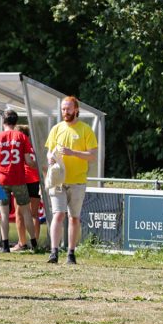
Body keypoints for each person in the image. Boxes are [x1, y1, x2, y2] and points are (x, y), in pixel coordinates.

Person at [45, 95, 98, 264]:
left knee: (74, 217)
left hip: (77, 181)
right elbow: (49, 152)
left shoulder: (85, 130)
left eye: (68, 108)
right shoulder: (56, 129)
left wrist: (72, 153)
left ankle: (71, 253)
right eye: (63, 109)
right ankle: (54, 252)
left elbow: (92, 156)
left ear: (76, 109)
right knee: (58, 214)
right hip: (58, 181)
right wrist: (50, 158)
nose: (65, 111)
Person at [0, 109, 36, 253]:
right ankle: (34, 244)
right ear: (16, 121)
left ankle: (5, 245)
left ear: (3, 121)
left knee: (4, 213)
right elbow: (28, 161)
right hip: (19, 179)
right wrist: (38, 165)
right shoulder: (21, 136)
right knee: (26, 212)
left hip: (2, 180)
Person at [14, 124, 42, 252]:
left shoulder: (20, 146)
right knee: (34, 214)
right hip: (34, 180)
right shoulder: (34, 146)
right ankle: (35, 244)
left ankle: (22, 243)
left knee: (19, 213)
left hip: (22, 180)